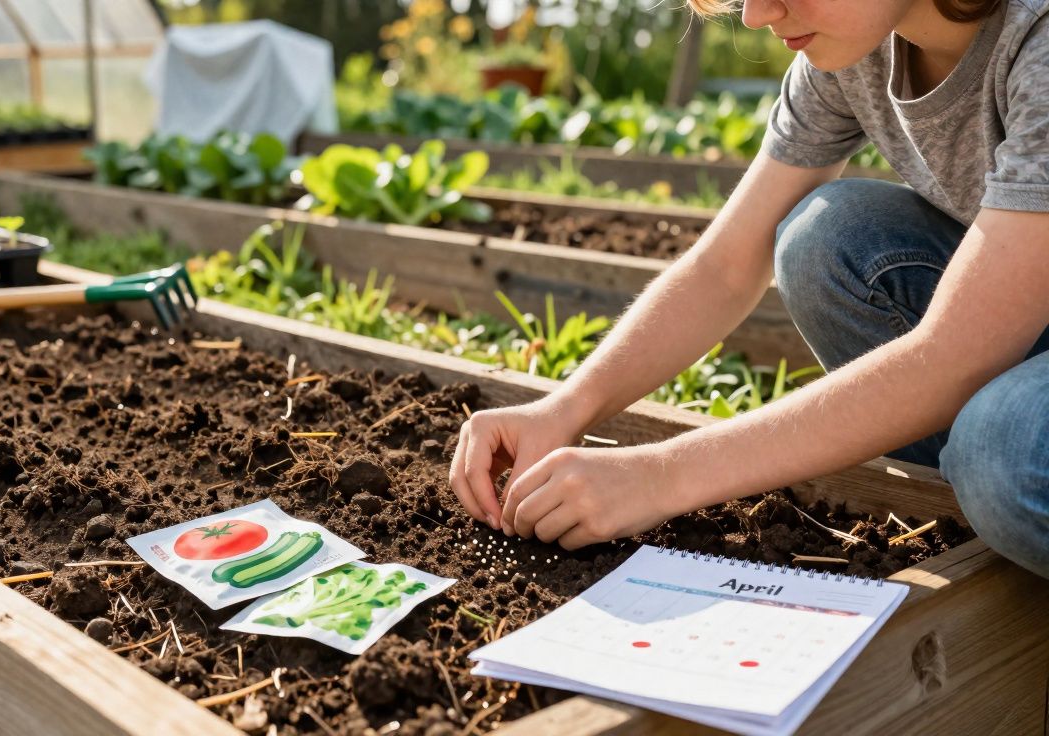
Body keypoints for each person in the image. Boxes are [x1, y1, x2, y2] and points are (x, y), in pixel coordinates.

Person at [448, 0, 1049, 580]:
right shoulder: (856, 53)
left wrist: (660, 476)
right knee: (827, 238)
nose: (757, 15)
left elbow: (954, 356)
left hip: (988, 346)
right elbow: (725, 268)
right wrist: (564, 408)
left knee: (1002, 454)